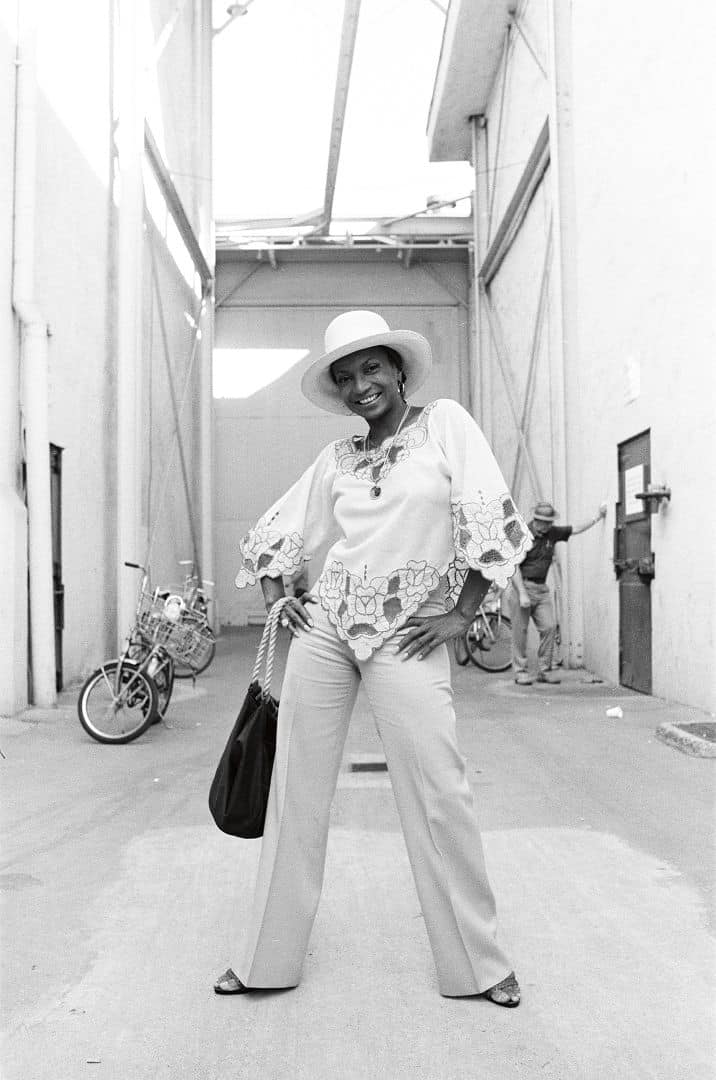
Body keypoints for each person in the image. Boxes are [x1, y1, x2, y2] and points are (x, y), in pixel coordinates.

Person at [215, 310, 532, 1006]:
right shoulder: (337, 459)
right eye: (346, 376)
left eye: (371, 369)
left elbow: (487, 511)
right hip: (328, 627)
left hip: (410, 630)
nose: (361, 385)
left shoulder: (446, 425)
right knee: (294, 787)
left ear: (396, 368)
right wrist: (278, 597)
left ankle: (479, 964)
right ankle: (264, 958)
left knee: (439, 790)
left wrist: (462, 611)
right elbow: (277, 530)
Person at [511, 500, 607, 685]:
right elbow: (513, 567)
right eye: (545, 522)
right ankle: (520, 672)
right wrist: (522, 593)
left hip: (541, 589)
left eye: (550, 522)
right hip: (521, 587)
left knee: (549, 627)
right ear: (536, 520)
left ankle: (544, 671)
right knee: (520, 632)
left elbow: (576, 529)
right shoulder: (521, 534)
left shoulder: (553, 533)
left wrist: (598, 516)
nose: (548, 525)